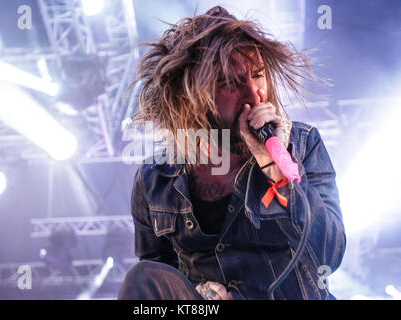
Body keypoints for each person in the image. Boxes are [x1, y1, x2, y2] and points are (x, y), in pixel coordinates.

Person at [118, 6, 346, 300]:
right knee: (144, 277)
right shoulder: (154, 179)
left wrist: (278, 169)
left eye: (258, 76)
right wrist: (197, 291)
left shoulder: (303, 145)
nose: (254, 95)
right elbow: (159, 268)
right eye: (230, 83)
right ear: (194, 97)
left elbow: (329, 254)